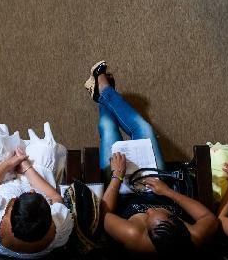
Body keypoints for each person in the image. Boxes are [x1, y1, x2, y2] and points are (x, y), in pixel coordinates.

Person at [87, 61, 218, 256]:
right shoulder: (194, 236)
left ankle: (103, 92)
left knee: (109, 131)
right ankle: (104, 91)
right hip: (157, 185)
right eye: (158, 215)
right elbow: (208, 216)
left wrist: (117, 176)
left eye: (147, 219)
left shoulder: (133, 236)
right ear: (178, 223)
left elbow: (104, 215)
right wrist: (168, 193)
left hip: (122, 189)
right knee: (144, 128)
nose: (148, 212)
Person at [0, 121, 73, 258]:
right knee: (45, 150)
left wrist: (7, 164)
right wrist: (27, 168)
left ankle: (9, 152)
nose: (32, 191)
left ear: (12, 206)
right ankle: (28, 154)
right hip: (28, 180)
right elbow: (56, 198)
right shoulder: (60, 226)